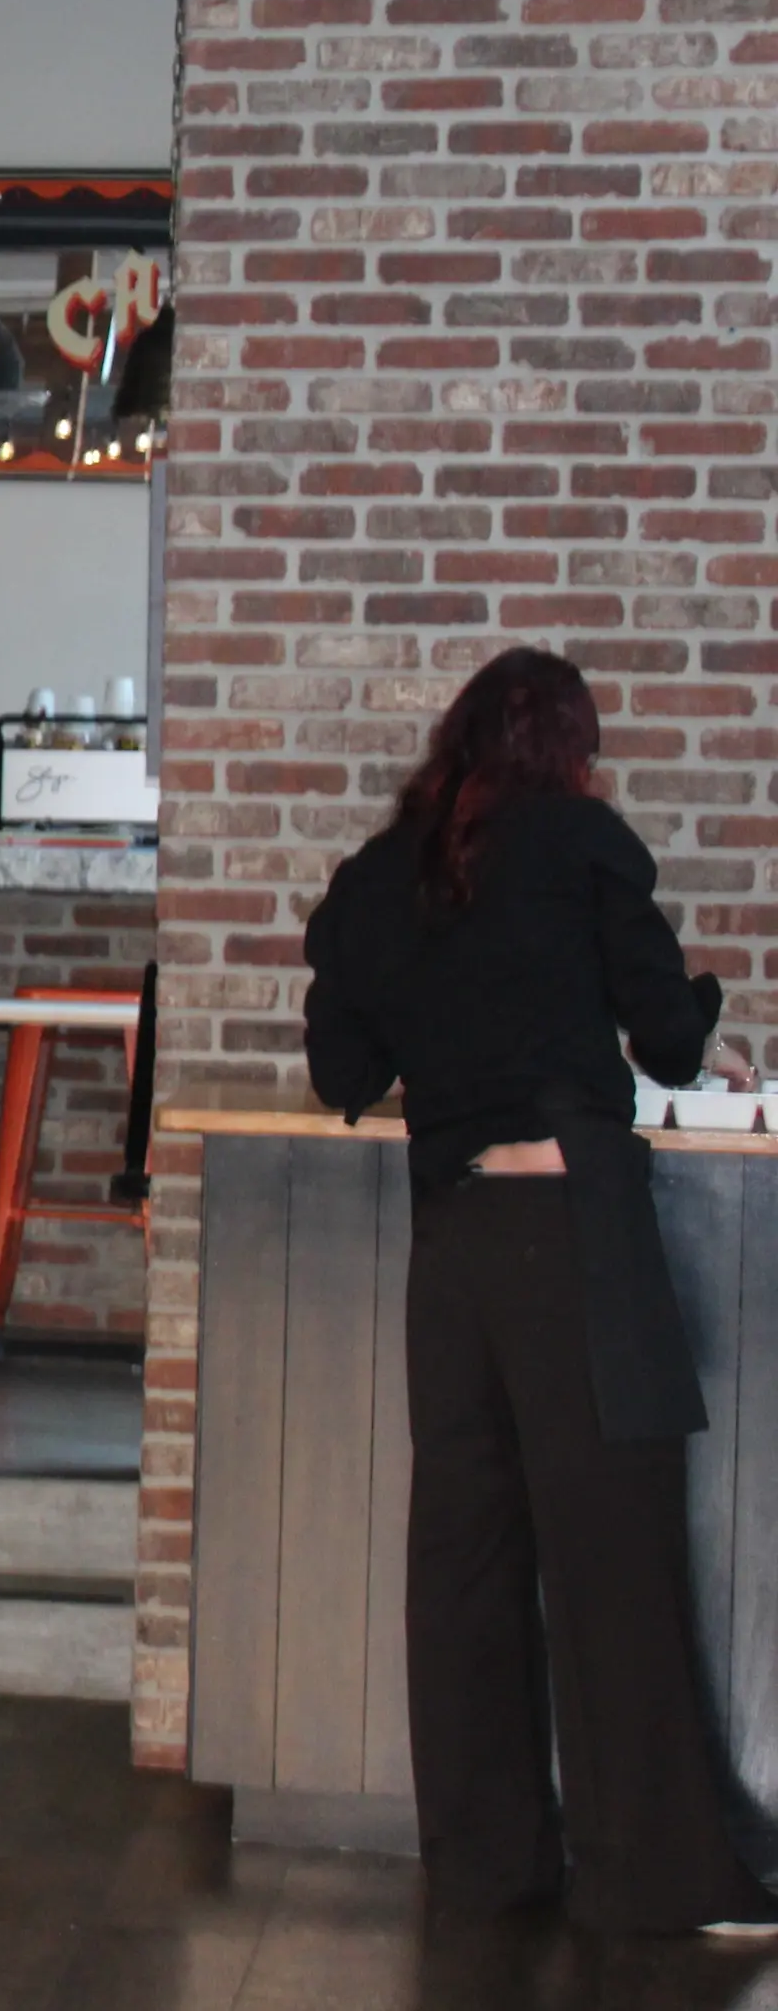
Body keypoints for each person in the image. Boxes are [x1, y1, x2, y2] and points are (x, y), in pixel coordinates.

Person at [303, 647, 774, 1933]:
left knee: (466, 1566)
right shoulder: (579, 840)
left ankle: (491, 1869)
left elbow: (340, 1064)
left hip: (454, 1246)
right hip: (571, 1229)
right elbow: (667, 1036)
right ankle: (653, 1879)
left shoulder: (380, 877)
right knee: (611, 1561)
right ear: (565, 749)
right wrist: (712, 1026)